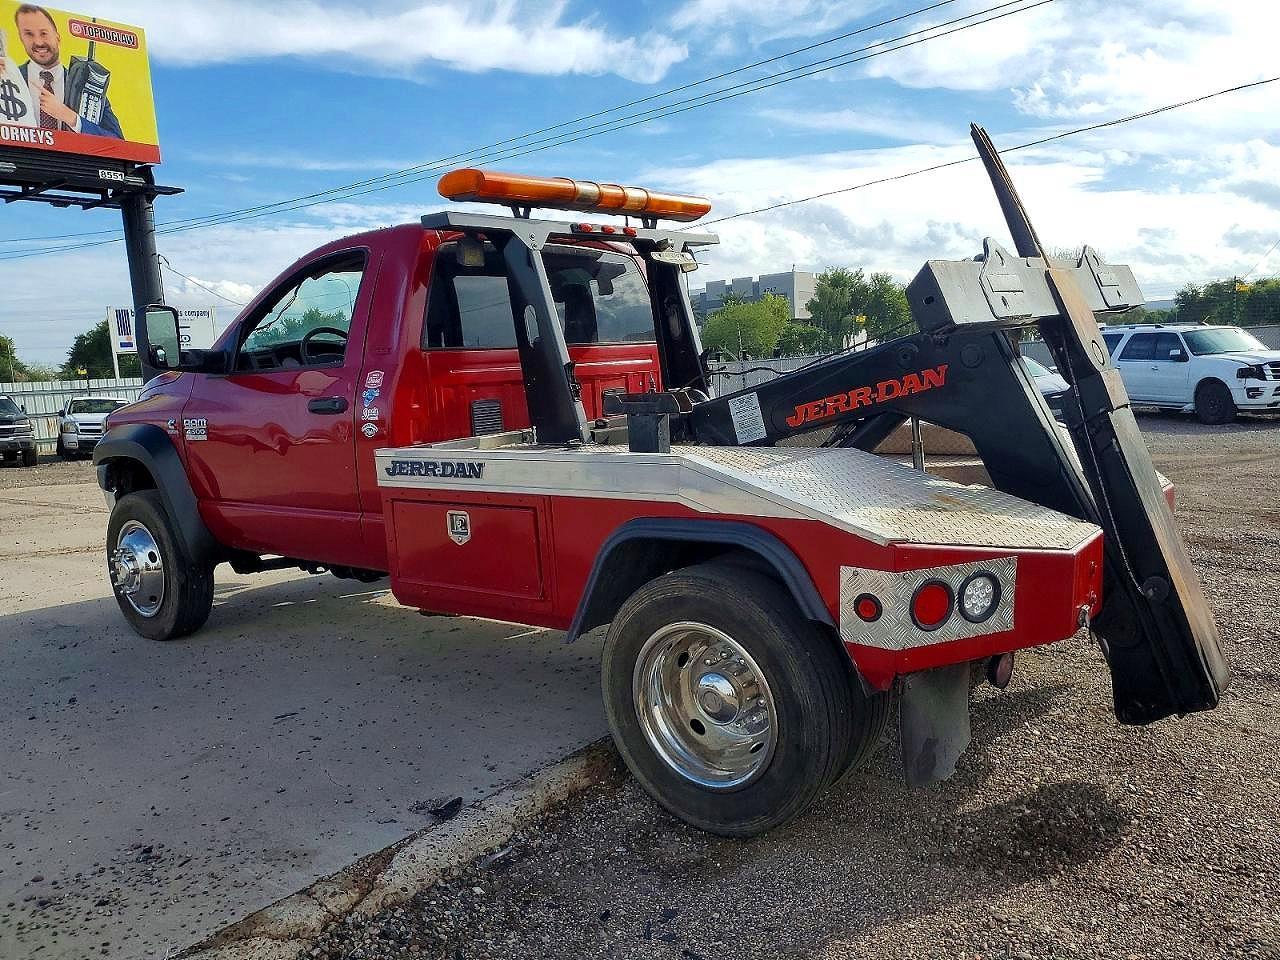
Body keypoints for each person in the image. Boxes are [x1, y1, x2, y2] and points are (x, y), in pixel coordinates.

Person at [0, 4, 122, 138]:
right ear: (21, 39)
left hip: (69, 159)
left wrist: (70, 117)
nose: (38, 42)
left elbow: (118, 142)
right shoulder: (9, 80)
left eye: (44, 33)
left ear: (57, 37)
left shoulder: (86, 84)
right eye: (29, 34)